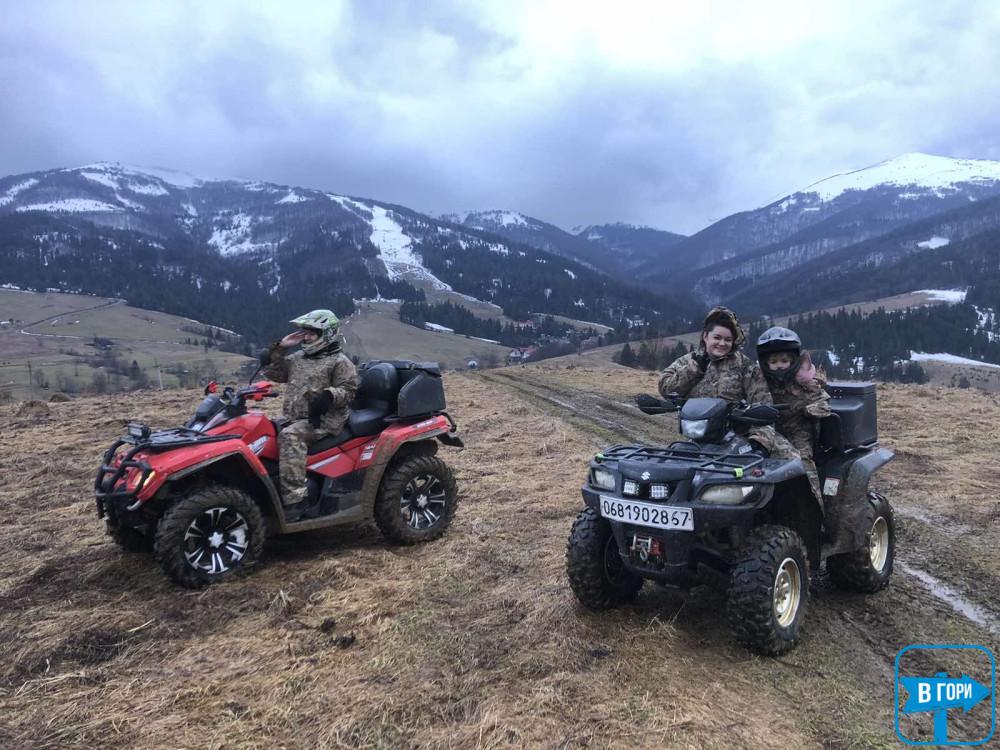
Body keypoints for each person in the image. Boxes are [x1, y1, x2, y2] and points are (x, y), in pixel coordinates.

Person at [260, 309, 358, 520]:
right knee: (264, 430)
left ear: (327, 334)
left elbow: (349, 392)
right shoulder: (299, 357)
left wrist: (328, 396)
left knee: (290, 436)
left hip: (324, 419)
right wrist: (279, 348)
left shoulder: (340, 362)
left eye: (312, 333)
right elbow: (275, 373)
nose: (306, 337)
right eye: (305, 332)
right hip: (295, 416)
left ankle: (296, 501)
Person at [658, 306, 792, 459]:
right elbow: (665, 388)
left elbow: (763, 407)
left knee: (792, 460)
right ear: (705, 336)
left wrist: (759, 442)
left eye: (728, 340)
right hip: (697, 437)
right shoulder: (689, 361)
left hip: (738, 437)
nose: (722, 343)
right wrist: (694, 369)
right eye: (717, 338)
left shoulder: (745, 366)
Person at [756, 326, 832, 502]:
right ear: (766, 363)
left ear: (793, 361)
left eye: (784, 361)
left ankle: (813, 504)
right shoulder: (761, 383)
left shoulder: (804, 382)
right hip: (768, 433)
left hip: (798, 433)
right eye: (774, 362)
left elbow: (823, 403)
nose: (779, 365)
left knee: (803, 465)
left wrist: (810, 409)